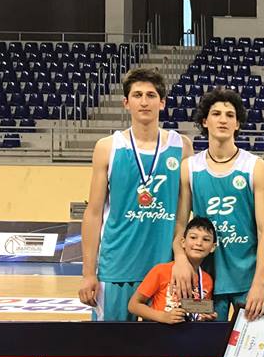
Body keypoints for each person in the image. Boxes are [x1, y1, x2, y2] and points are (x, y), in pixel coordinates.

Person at [79, 67, 190, 321]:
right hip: (116, 267)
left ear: (162, 102)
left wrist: (182, 258)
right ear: (126, 103)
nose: (144, 102)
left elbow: (184, 213)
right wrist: (88, 273)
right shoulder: (108, 147)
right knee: (112, 343)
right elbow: (93, 213)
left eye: (151, 95)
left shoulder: (181, 146)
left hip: (164, 268)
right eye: (137, 95)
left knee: (163, 344)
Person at [173, 87, 264, 321]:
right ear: (204, 121)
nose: (223, 120)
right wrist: (180, 258)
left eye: (230, 115)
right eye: (216, 114)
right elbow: (180, 224)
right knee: (205, 341)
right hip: (204, 281)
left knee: (249, 343)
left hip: (248, 280)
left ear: (237, 124)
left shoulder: (255, 166)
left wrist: (259, 283)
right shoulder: (189, 167)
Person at [127, 216, 216, 323]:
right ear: (183, 242)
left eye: (206, 239)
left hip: (191, 333)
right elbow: (133, 305)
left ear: (213, 247)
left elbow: (198, 314)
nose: (199, 243)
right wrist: (162, 317)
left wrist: (206, 316)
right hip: (160, 332)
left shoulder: (207, 280)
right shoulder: (161, 271)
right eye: (193, 237)